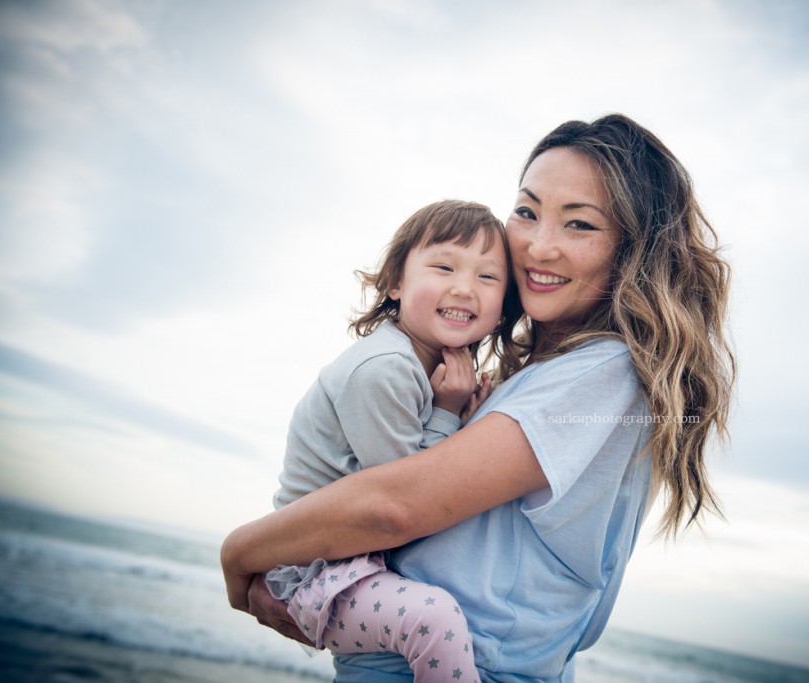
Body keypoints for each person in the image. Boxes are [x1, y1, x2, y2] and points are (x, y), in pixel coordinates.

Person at [222, 113, 735, 682]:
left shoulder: (605, 372)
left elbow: (394, 506)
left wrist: (241, 553)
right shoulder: (538, 373)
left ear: (634, 249)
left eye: (580, 225)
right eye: (526, 212)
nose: (541, 246)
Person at [264, 199, 522, 682]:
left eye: (488, 278)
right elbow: (409, 504)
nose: (464, 287)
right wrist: (448, 412)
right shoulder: (385, 369)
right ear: (395, 283)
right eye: (444, 266)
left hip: (357, 564)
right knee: (435, 619)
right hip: (314, 574)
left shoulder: (429, 366)